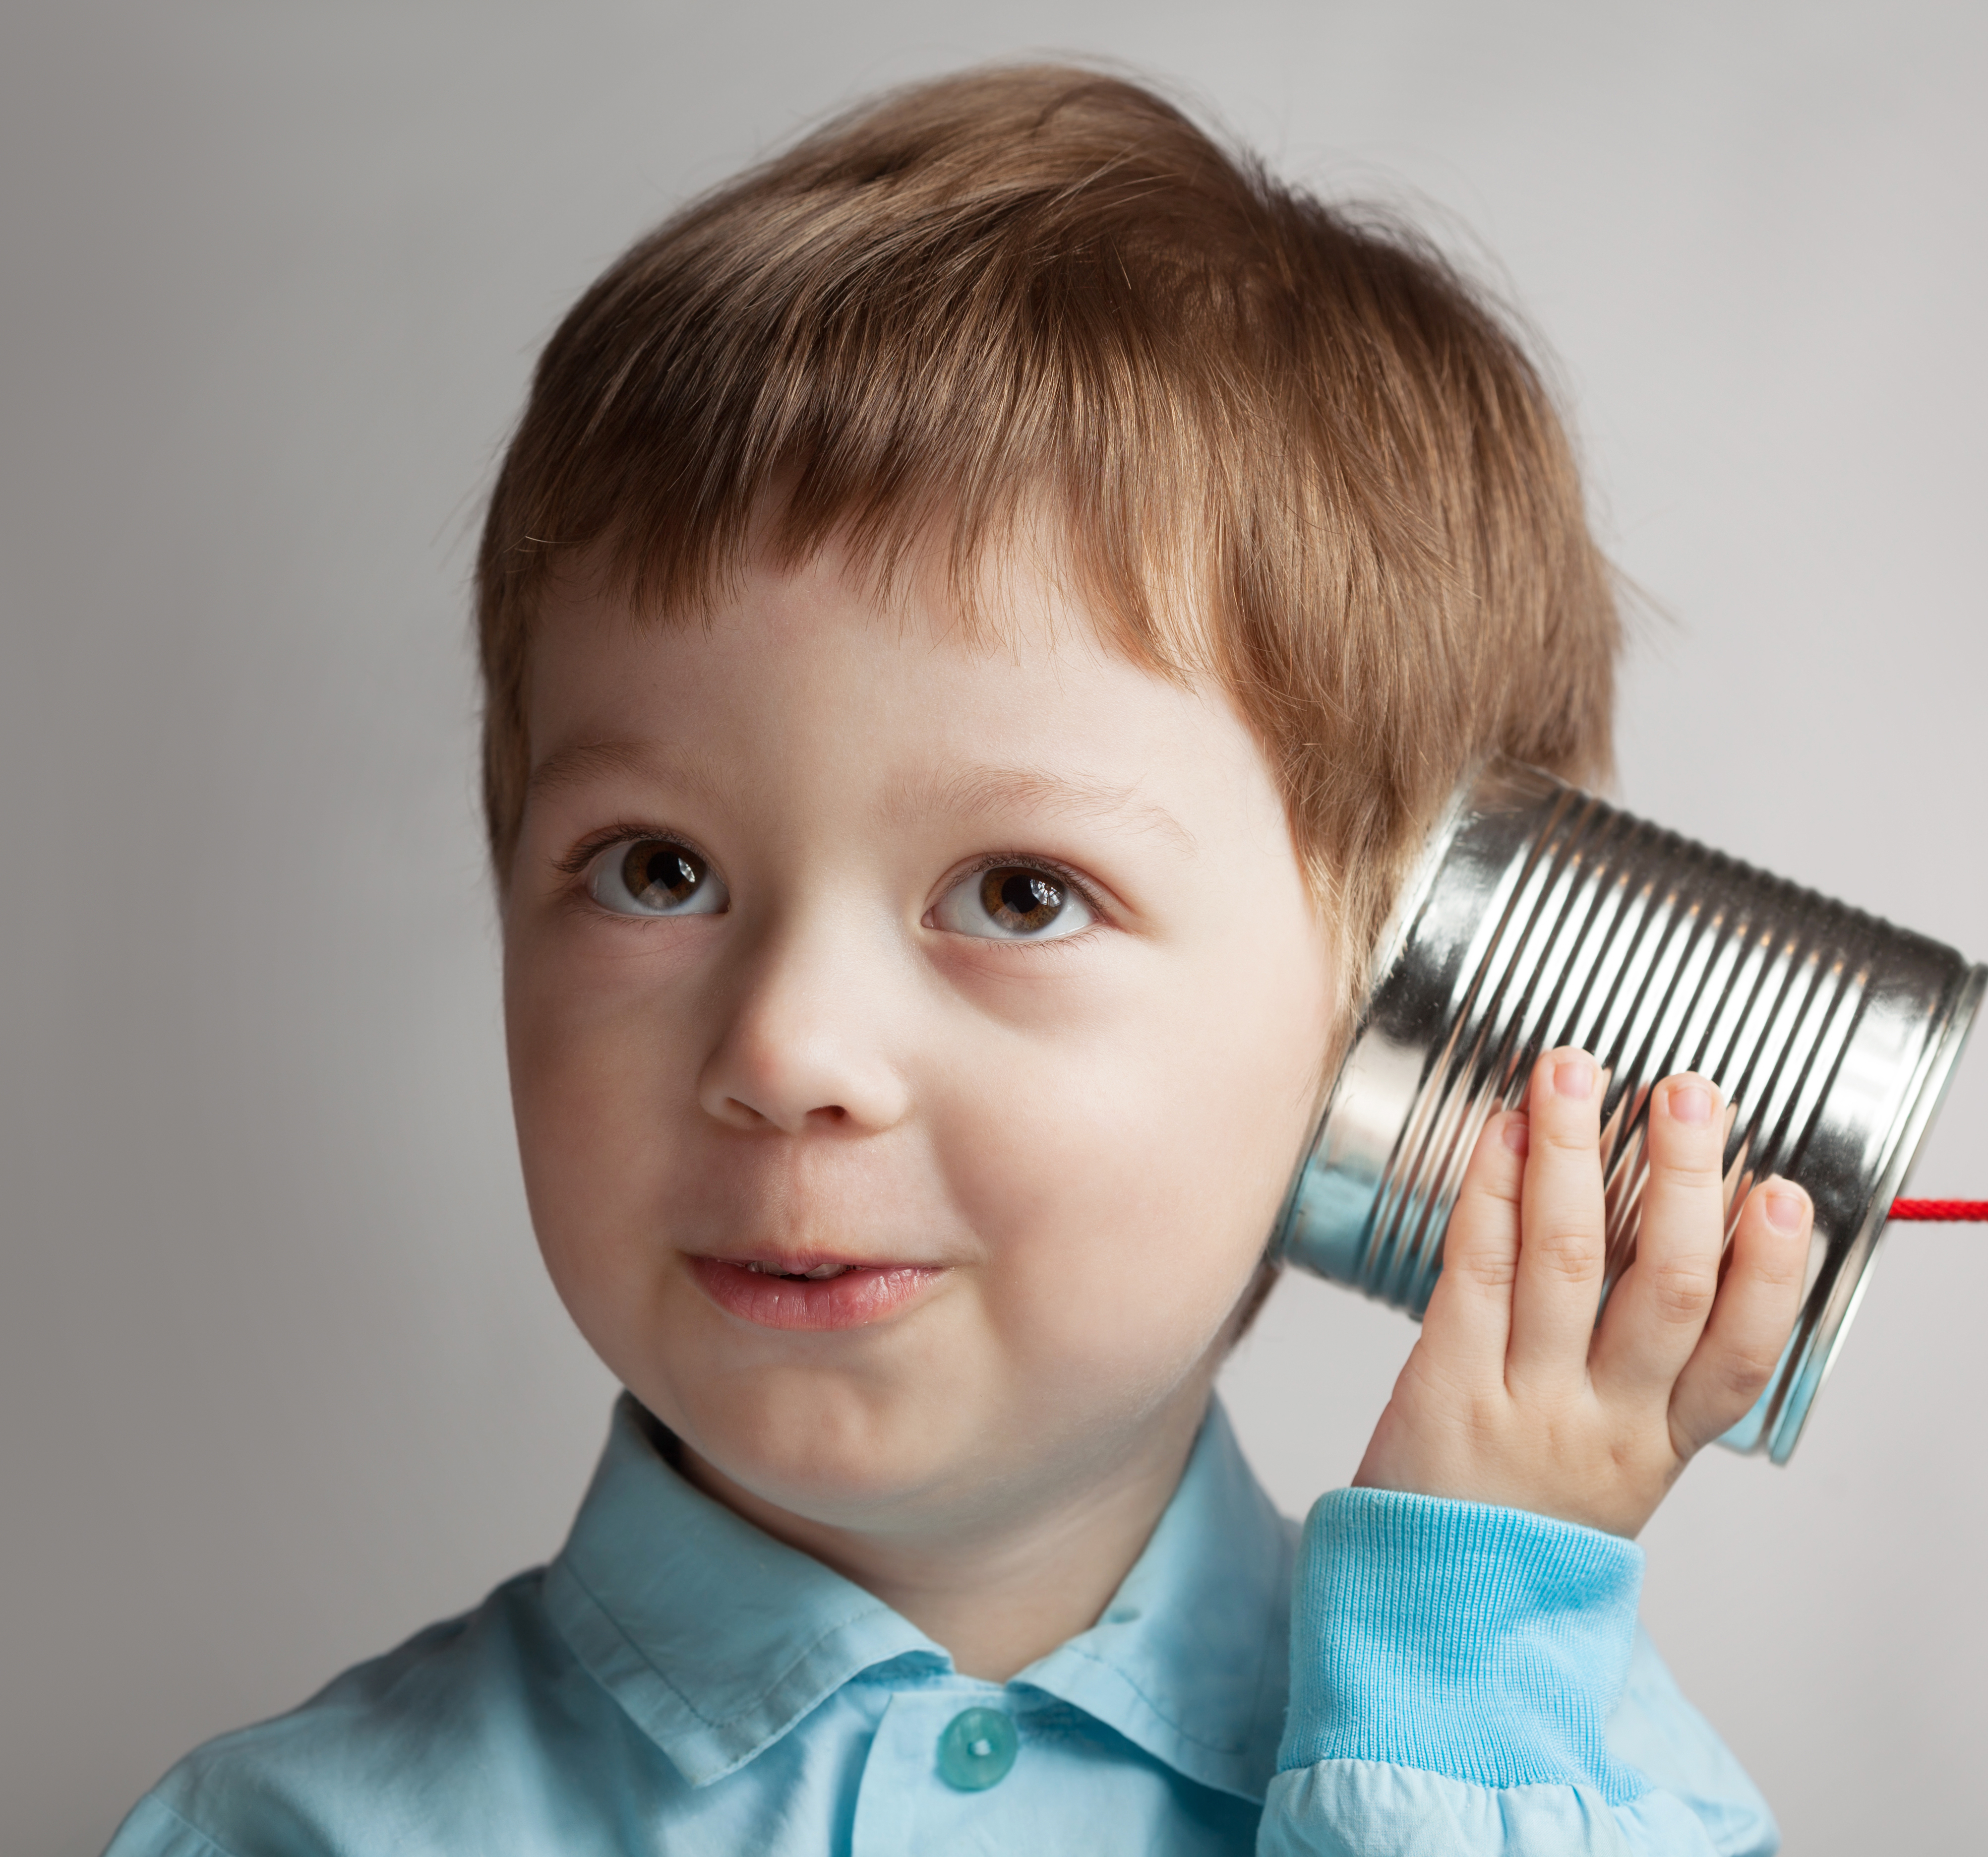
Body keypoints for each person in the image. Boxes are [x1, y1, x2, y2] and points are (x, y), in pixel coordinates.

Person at [107, 62, 1807, 1857]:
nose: (787, 1048)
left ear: (1404, 1013)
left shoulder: (1568, 1804)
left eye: (1018, 894)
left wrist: (1456, 1701)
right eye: (659, 869)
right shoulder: (287, 1833)